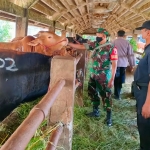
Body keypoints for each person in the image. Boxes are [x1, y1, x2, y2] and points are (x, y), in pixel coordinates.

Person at [68, 28, 118, 126]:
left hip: (104, 76)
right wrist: (68, 43)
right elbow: (81, 46)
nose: (96, 36)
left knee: (106, 95)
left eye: (98, 34)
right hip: (93, 74)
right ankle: (96, 111)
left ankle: (109, 118)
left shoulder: (111, 48)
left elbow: (114, 64)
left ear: (104, 36)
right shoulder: (94, 44)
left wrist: (112, 79)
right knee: (92, 92)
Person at [133, 20, 150, 150]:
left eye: (143, 30)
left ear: (148, 32)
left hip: (146, 92)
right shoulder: (147, 48)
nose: (141, 32)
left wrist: (148, 104)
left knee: (145, 125)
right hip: (141, 90)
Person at [113, 30, 135, 100]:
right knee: (121, 78)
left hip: (115, 64)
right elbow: (130, 55)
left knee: (116, 78)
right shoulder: (127, 43)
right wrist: (132, 65)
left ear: (117, 34)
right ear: (124, 35)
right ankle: (118, 92)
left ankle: (117, 93)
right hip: (123, 64)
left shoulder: (113, 42)